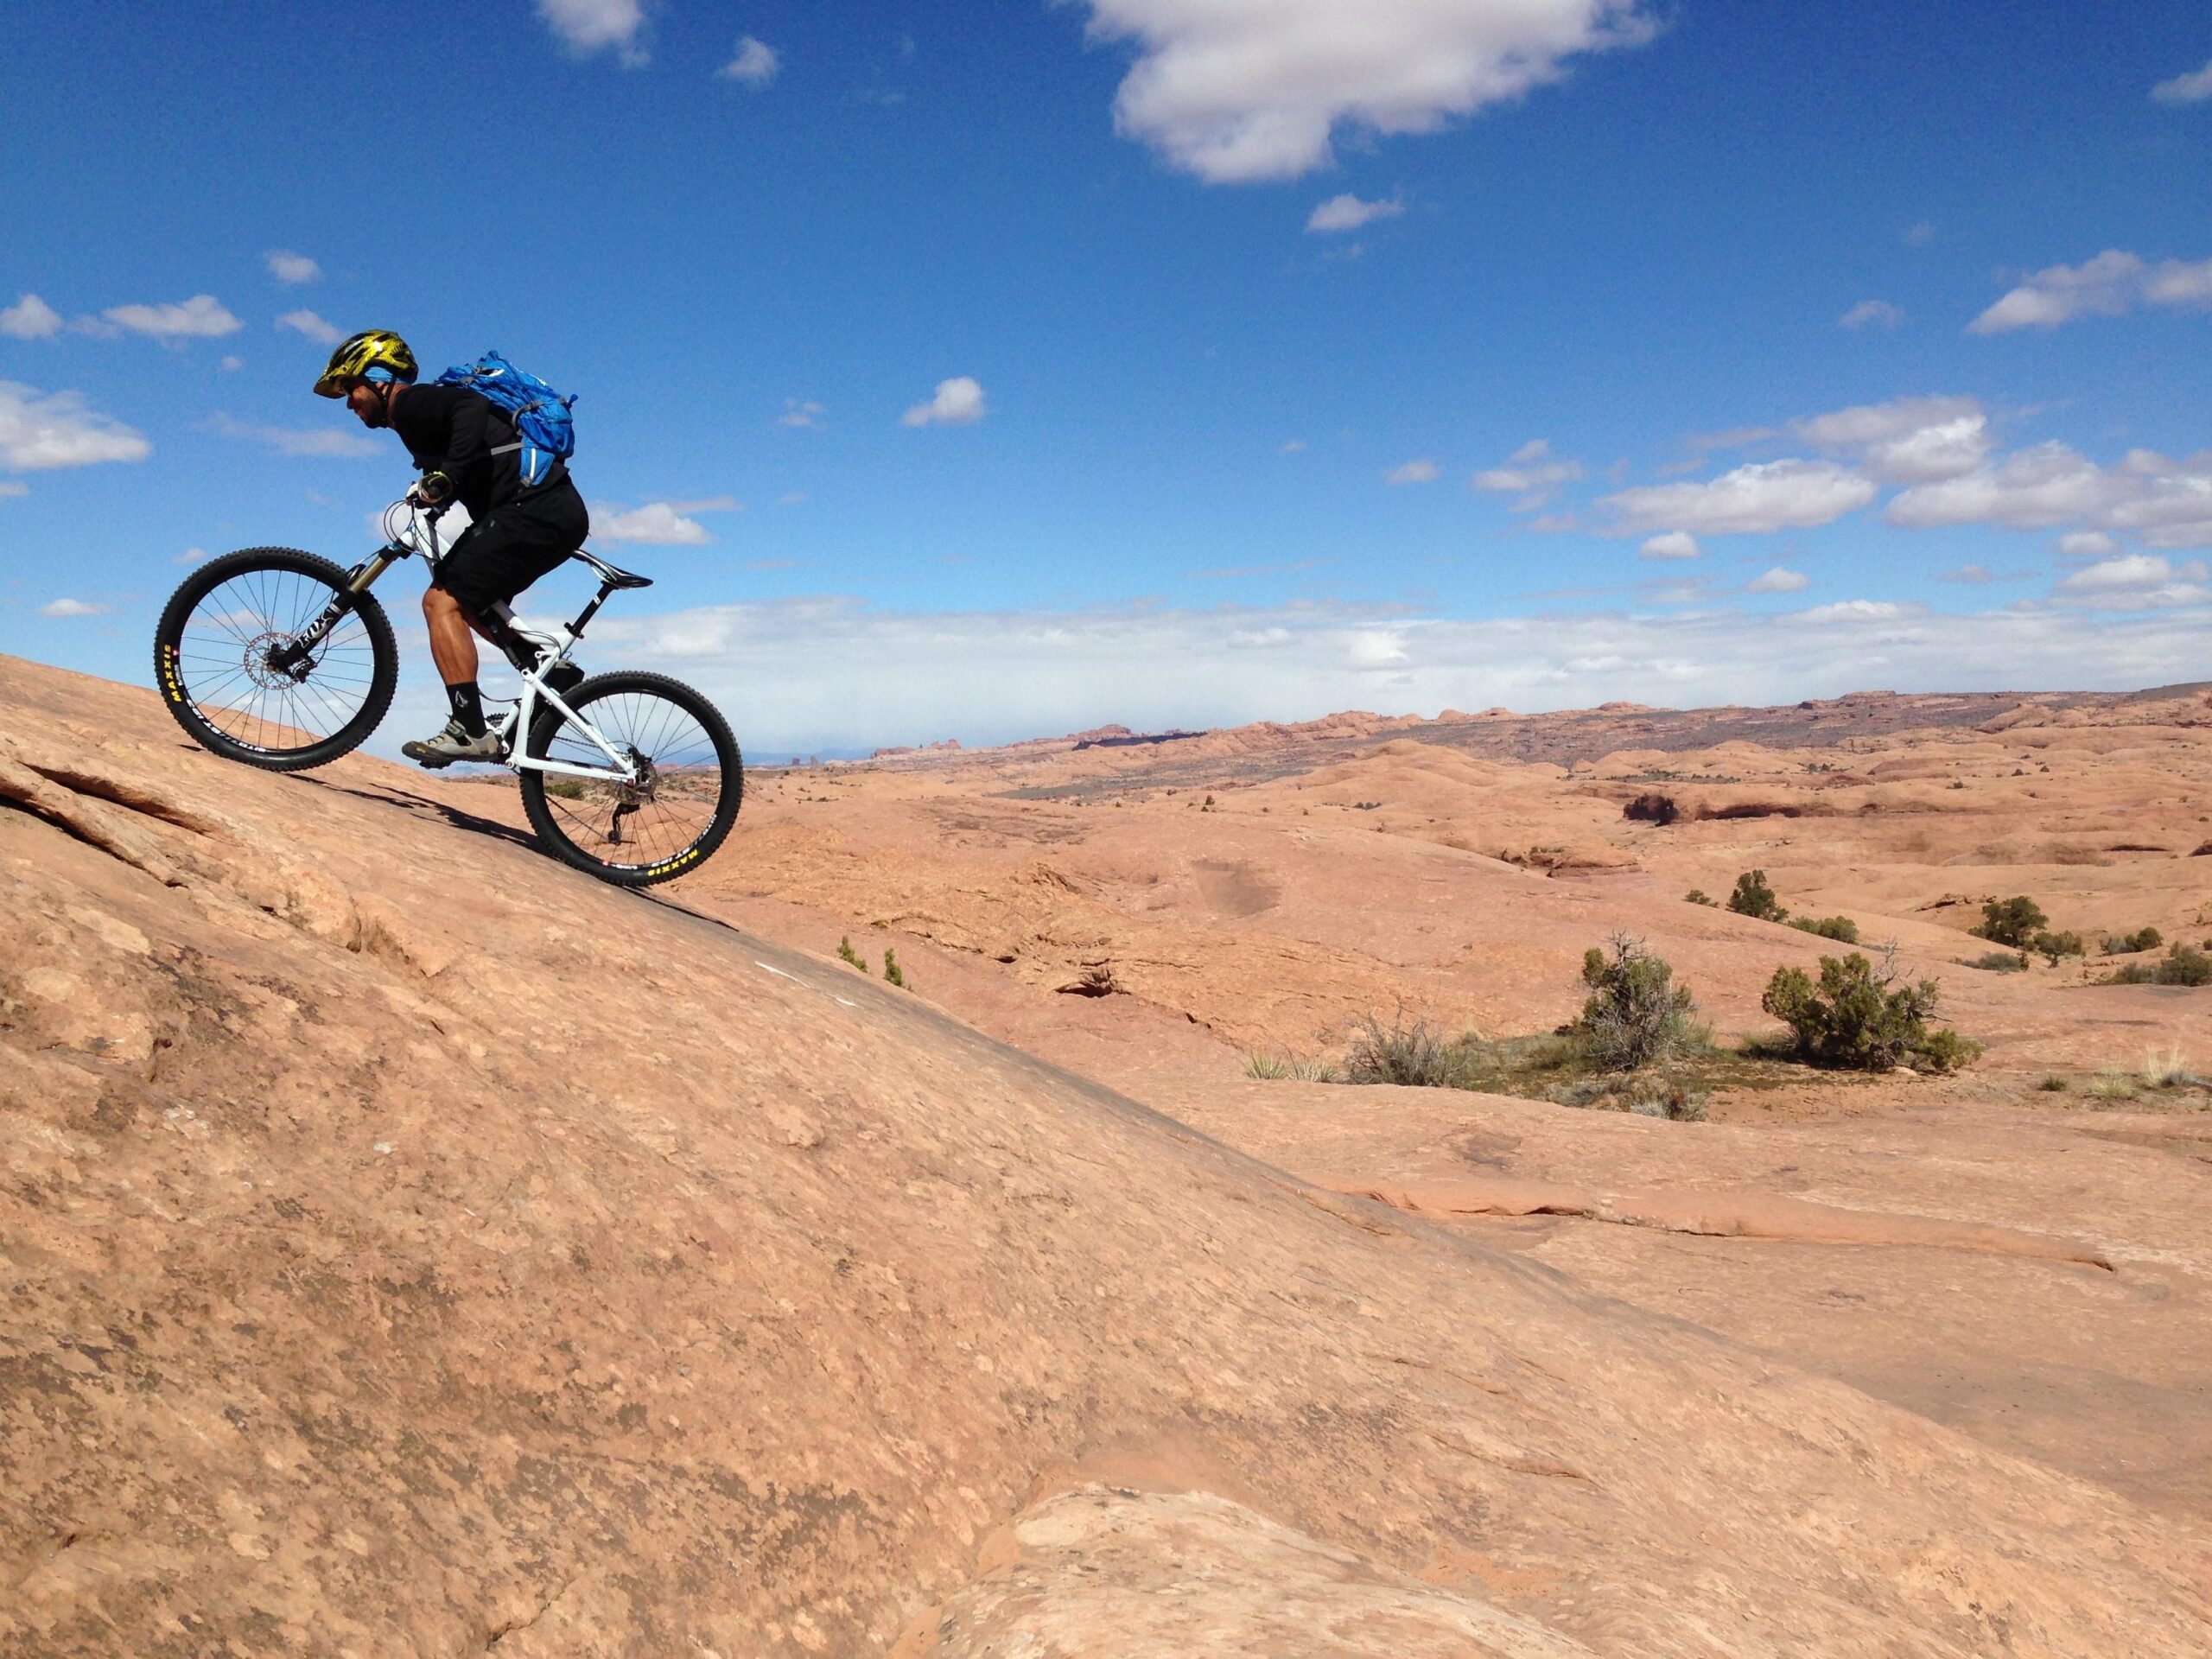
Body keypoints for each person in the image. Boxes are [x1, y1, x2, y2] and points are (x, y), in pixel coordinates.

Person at [312, 330, 591, 766]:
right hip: (548, 511)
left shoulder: (411, 404)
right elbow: (481, 459)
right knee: (472, 602)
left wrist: (450, 476)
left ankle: (469, 730)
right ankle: (542, 664)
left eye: (351, 389)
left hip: (536, 509)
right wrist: (441, 493)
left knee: (441, 603)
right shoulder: (415, 426)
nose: (350, 403)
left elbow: (471, 407)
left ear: (378, 378)